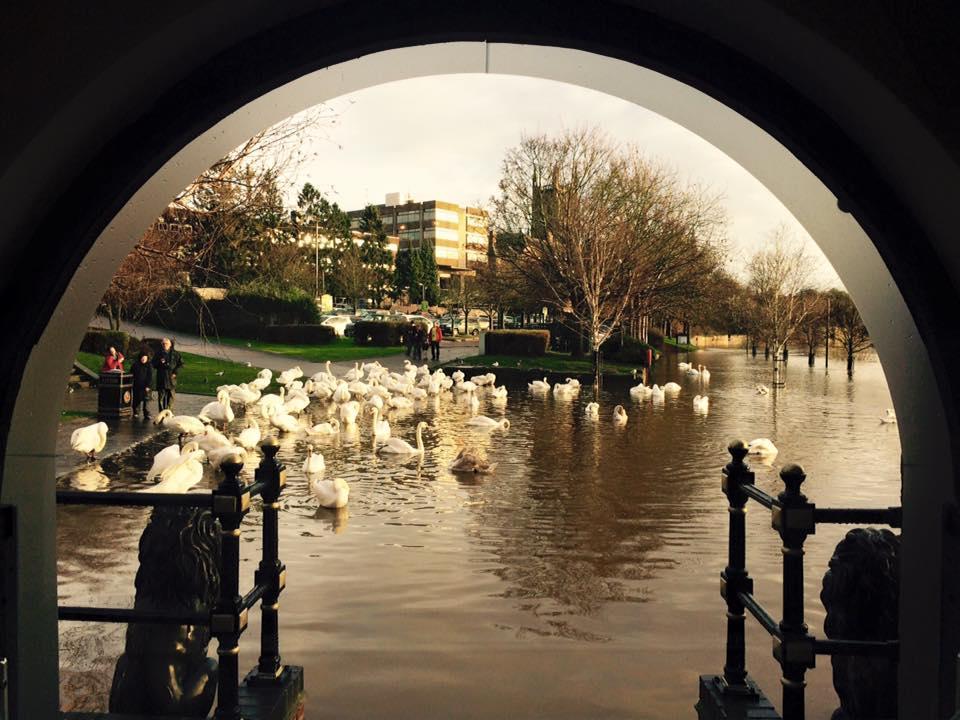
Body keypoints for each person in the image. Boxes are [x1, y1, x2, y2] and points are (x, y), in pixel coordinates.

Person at [152, 337, 183, 412]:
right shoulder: (158, 354)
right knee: (161, 397)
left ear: (170, 344)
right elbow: (153, 364)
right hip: (161, 377)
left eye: (166, 343)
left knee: (171, 397)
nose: (164, 345)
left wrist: (175, 372)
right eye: (163, 344)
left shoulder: (175, 354)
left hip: (171, 378)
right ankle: (162, 412)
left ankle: (169, 412)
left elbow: (181, 364)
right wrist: (160, 363)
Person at [130, 348, 153, 419]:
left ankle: (147, 414)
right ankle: (136, 412)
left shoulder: (149, 365)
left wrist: (148, 386)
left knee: (146, 401)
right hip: (137, 385)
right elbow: (131, 374)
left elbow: (150, 376)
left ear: (147, 358)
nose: (143, 359)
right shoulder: (135, 365)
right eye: (142, 358)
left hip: (146, 386)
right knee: (136, 399)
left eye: (145, 358)